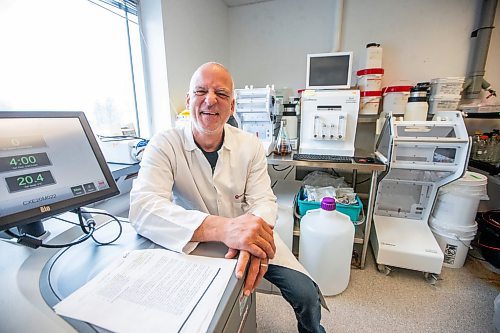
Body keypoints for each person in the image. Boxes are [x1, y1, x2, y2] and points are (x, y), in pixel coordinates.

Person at [129, 62, 326, 333]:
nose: (210, 100)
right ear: (189, 101)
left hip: (250, 234)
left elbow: (263, 201)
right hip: (195, 239)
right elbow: (143, 207)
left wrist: (248, 238)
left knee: (306, 294)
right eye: (201, 91)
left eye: (221, 94)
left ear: (232, 106)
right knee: (205, 310)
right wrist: (226, 229)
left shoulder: (250, 145)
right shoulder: (164, 145)